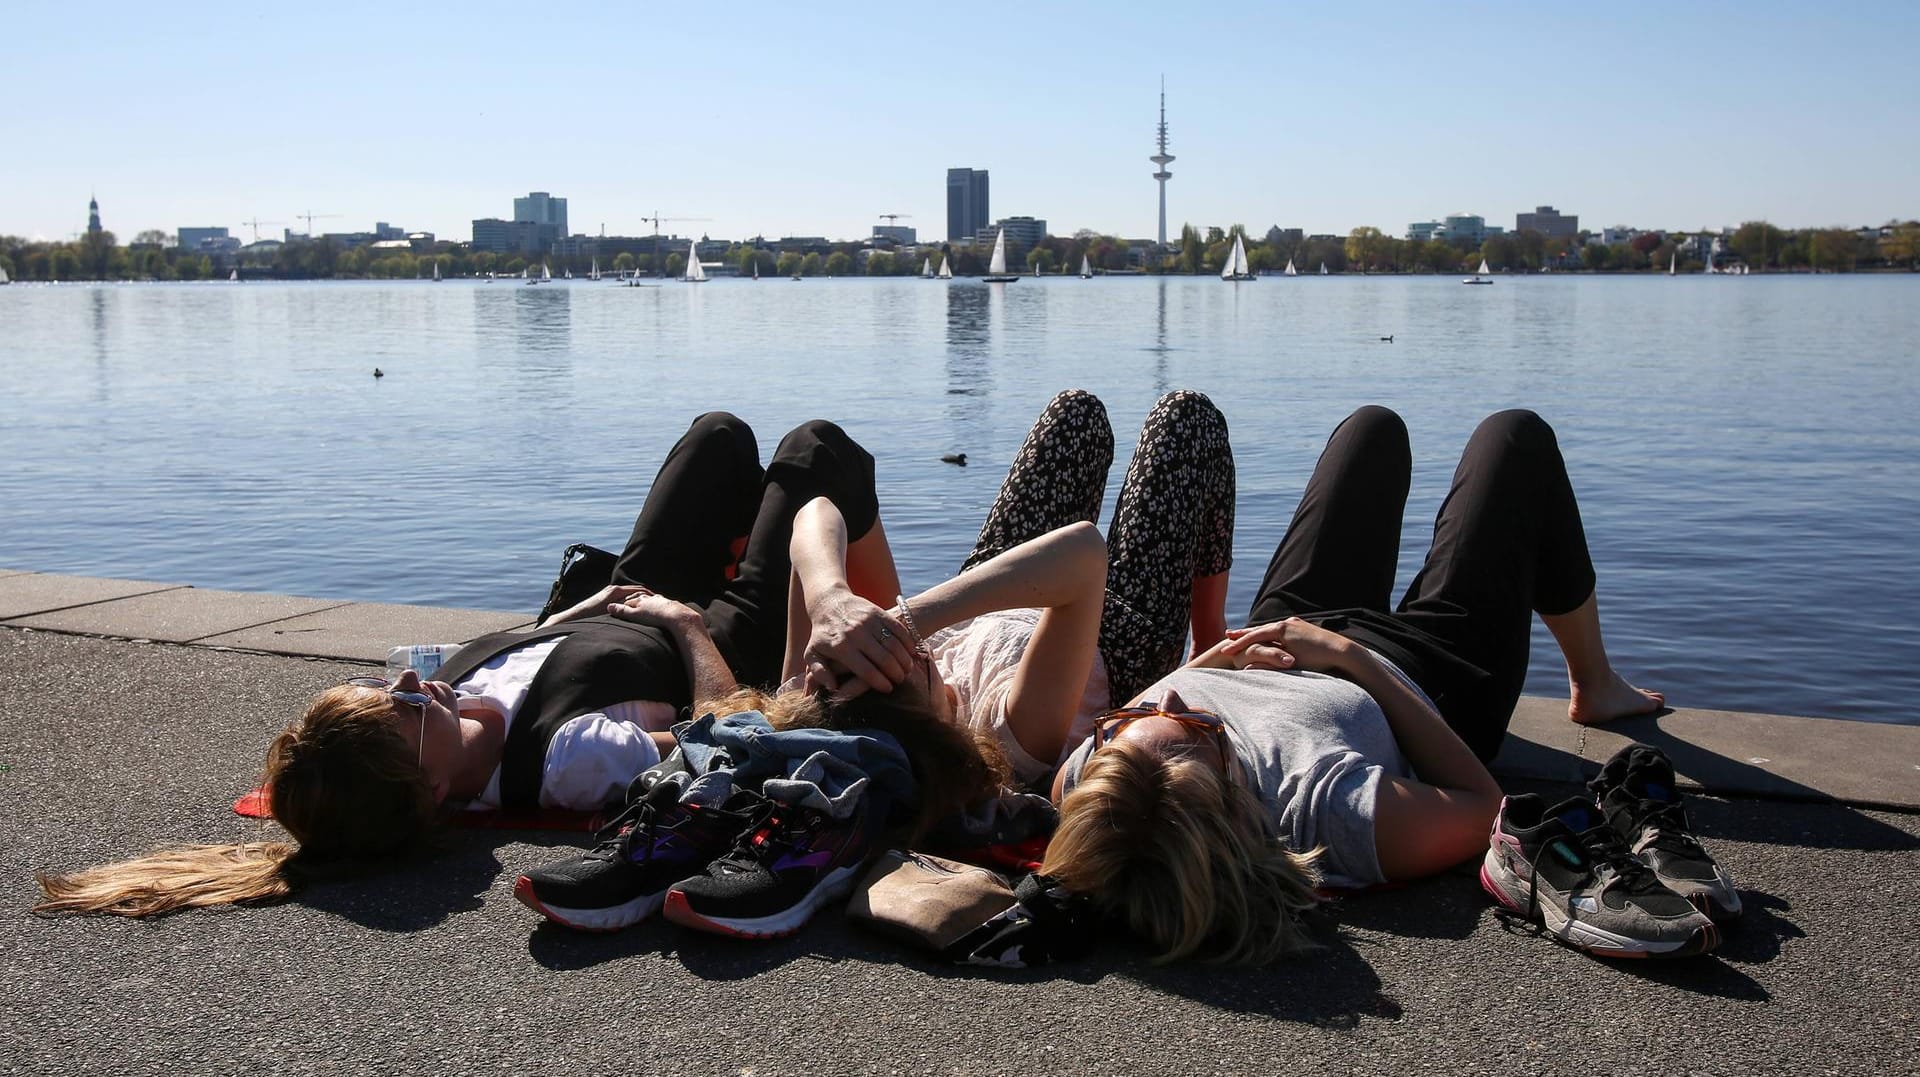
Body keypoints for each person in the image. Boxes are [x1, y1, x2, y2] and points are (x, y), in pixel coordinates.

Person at [34, 412, 941, 918]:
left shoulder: (456, 701)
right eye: (405, 708)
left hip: (615, 608)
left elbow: (543, 643)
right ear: (430, 790)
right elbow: (724, 730)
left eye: (389, 684)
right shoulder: (567, 760)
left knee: (717, 437)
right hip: (710, 634)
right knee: (816, 452)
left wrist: (596, 603)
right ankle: (886, 628)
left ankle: (801, 555)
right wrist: (680, 621)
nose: (412, 683)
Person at [1040, 407, 1666, 963]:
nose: (1170, 697)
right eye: (1198, 726)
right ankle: (1594, 681)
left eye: (1130, 719)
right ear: (1232, 796)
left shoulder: (1101, 785)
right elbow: (1484, 808)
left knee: (1371, 431)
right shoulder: (1326, 808)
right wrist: (1349, 658)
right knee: (1513, 438)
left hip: (1274, 638)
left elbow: (1154, 726)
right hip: (1422, 670)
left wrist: (1216, 666)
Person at [789, 388, 1236, 790]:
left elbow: (818, 510)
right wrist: (907, 619)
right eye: (911, 659)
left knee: (1076, 415)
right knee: (1187, 419)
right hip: (1114, 632)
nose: (909, 647)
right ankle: (1210, 636)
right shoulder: (1007, 743)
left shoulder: (825, 700)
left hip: (992, 594)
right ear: (933, 724)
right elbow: (1084, 554)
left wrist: (829, 601)